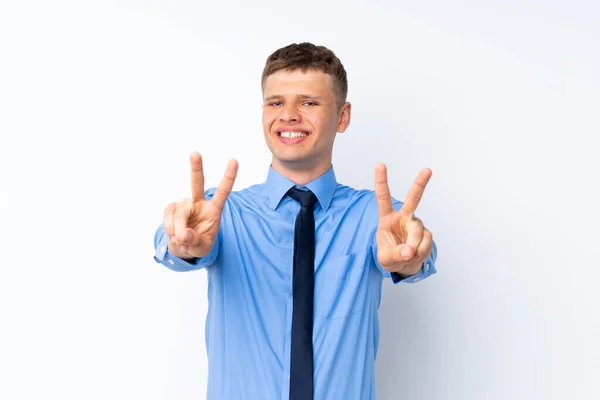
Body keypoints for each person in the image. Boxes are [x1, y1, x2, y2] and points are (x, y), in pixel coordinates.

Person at [153, 42, 437, 400]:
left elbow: (416, 249)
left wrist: (411, 260)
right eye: (276, 102)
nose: (288, 115)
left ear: (343, 116)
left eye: (308, 102)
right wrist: (183, 245)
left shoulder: (375, 217)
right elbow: (171, 246)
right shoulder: (222, 214)